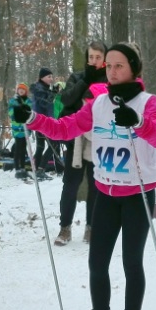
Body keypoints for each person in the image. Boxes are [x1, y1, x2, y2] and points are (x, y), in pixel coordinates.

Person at [13, 42, 156, 310]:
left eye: (119, 65)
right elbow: (64, 128)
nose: (112, 71)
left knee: (131, 262)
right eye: (108, 65)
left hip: (138, 194)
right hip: (106, 194)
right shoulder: (98, 103)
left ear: (134, 68)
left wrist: (138, 121)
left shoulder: (147, 102)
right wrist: (33, 119)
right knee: (97, 262)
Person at [54, 41, 109, 245]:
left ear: (104, 59)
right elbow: (67, 100)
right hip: (75, 139)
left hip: (99, 140)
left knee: (96, 186)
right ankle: (65, 228)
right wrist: (86, 80)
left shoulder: (109, 78)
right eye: (91, 57)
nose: (94, 61)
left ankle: (92, 228)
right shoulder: (77, 77)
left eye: (98, 57)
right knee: (70, 184)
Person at [30, 67, 56, 179]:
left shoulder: (42, 88)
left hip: (41, 121)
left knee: (40, 147)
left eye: (52, 76)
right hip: (43, 122)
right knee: (54, 144)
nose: (51, 79)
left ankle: (37, 170)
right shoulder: (39, 89)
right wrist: (53, 94)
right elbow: (44, 103)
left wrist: (52, 92)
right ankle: (40, 169)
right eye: (49, 76)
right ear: (42, 77)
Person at [8, 83, 31, 179]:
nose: (21, 91)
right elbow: (11, 113)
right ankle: (17, 168)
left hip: (25, 128)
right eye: (20, 89)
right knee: (18, 148)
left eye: (23, 89)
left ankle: (23, 167)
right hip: (17, 128)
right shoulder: (13, 101)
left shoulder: (28, 101)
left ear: (26, 91)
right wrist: (19, 111)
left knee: (23, 148)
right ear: (17, 90)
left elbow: (29, 112)